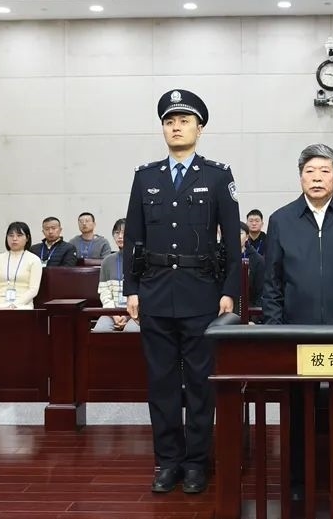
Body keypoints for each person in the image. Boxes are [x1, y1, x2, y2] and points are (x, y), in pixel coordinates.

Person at [123, 89, 240, 495]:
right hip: (155, 293)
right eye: (170, 121)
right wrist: (131, 289)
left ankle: (196, 463)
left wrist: (229, 291)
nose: (176, 127)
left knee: (201, 384)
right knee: (161, 384)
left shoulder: (217, 175)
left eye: (184, 121)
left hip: (202, 293)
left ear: (199, 129)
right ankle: (168, 462)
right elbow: (133, 238)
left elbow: (232, 242)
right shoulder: (146, 177)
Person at [261, 143, 333, 502]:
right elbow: (272, 283)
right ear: (300, 177)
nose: (317, 178)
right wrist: (275, 331)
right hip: (297, 334)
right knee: (298, 411)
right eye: (310, 171)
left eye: (324, 171)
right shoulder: (281, 220)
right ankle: (298, 483)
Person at [0, 222, 43, 310]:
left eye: (19, 235)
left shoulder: (34, 260)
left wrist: (14, 305)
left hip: (22, 305)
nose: (14, 239)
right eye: (11, 235)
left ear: (27, 238)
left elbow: (33, 290)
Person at [94, 219, 138, 332]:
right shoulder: (107, 261)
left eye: (124, 232)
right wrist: (114, 315)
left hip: (136, 312)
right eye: (117, 233)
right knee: (100, 330)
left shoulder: (141, 260)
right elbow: (104, 292)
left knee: (131, 331)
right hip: (111, 312)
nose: (120, 236)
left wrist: (127, 316)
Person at [239, 221, 265, 313]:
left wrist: (254, 317)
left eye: (240, 233)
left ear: (247, 237)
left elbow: (260, 292)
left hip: (249, 310)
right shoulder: (222, 256)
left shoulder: (258, 260)